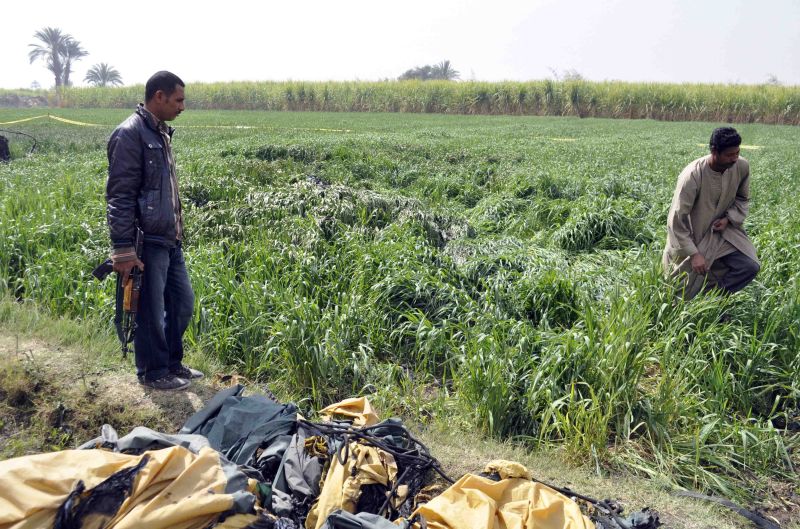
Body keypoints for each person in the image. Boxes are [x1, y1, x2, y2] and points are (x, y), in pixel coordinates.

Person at [106, 71, 203, 390]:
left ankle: (172, 362)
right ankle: (152, 371)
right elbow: (119, 194)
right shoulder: (130, 134)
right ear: (158, 97)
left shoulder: (159, 132)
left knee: (182, 302)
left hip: (169, 237)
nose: (183, 106)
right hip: (146, 240)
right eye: (179, 99)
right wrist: (123, 248)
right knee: (151, 307)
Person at [663, 126, 760, 300]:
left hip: (723, 233)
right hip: (694, 238)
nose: (735, 158)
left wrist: (729, 219)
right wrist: (694, 253)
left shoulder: (741, 166)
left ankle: (715, 299)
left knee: (749, 266)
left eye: (737, 153)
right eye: (730, 155)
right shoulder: (692, 176)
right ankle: (704, 309)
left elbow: (742, 198)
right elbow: (676, 220)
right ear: (714, 151)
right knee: (682, 292)